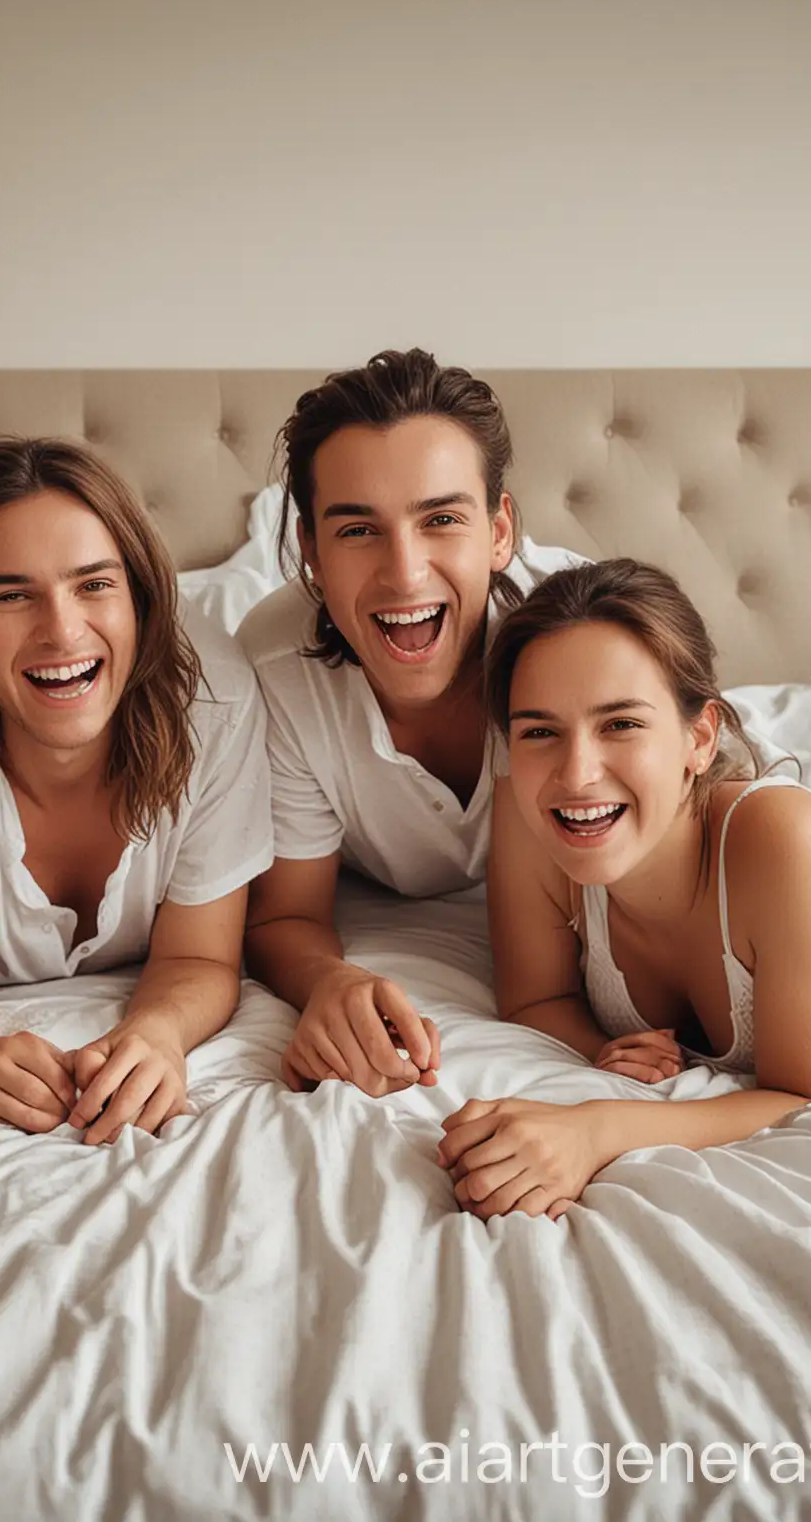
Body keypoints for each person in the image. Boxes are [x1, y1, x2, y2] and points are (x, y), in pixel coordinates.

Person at [440, 558, 811, 1220]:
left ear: (699, 738)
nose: (576, 773)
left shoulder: (787, 839)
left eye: (620, 723)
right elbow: (537, 996)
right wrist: (605, 1051)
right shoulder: (532, 809)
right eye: (540, 731)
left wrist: (595, 1129)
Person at [0, 436, 273, 1143]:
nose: (62, 631)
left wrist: (158, 1033)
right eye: (12, 595)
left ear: (140, 602)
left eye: (95, 584)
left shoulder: (214, 704)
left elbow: (200, 957)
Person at [237, 348, 578, 1098]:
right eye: (359, 530)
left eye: (442, 520)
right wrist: (330, 982)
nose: (405, 573)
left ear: (499, 531)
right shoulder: (271, 671)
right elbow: (284, 916)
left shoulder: (586, 640)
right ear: (311, 553)